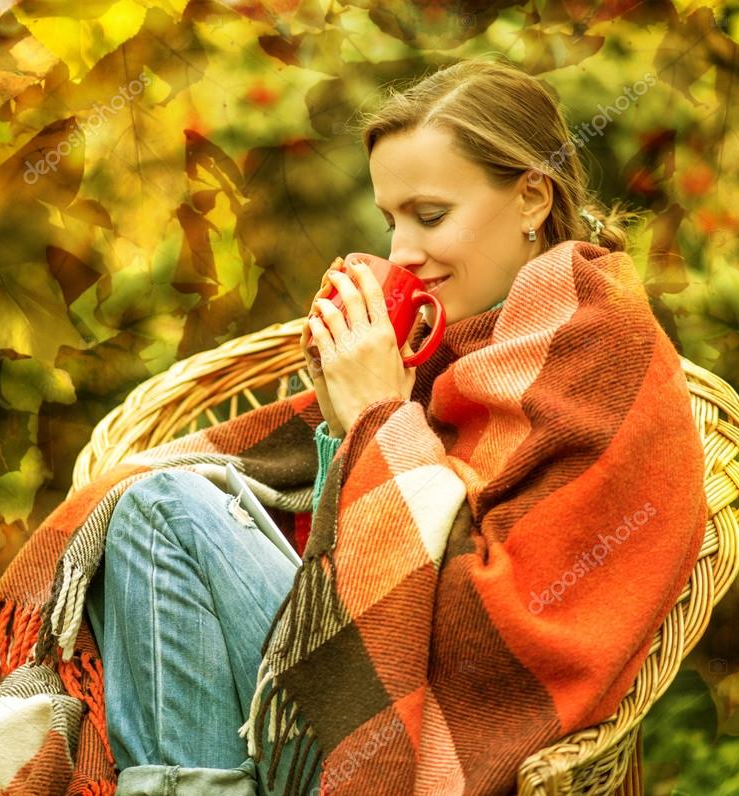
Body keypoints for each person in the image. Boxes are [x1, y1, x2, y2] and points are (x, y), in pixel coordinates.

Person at [84, 54, 643, 795]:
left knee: (160, 512)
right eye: (391, 220)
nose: (403, 251)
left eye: (430, 215)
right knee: (150, 506)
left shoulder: (599, 349)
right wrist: (342, 418)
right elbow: (346, 552)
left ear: (532, 197)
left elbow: (489, 612)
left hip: (446, 714)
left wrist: (380, 416)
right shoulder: (455, 352)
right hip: (358, 669)